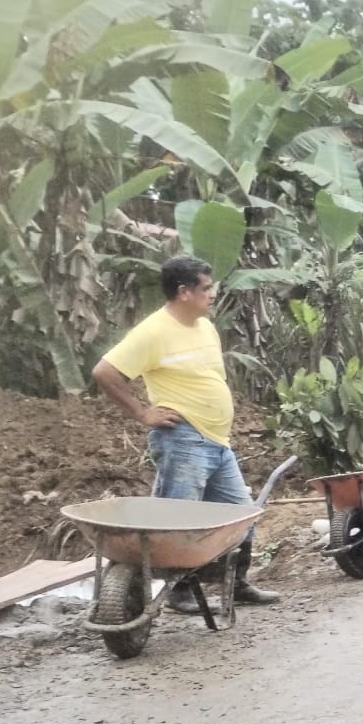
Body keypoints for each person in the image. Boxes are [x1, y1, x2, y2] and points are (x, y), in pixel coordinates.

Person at [91, 256, 280, 612]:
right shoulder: (153, 331)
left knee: (240, 514)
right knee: (180, 522)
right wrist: (143, 412)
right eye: (206, 288)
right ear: (183, 292)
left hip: (217, 442)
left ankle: (236, 583)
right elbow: (104, 372)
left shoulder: (205, 327)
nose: (213, 294)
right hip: (183, 440)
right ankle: (177, 593)